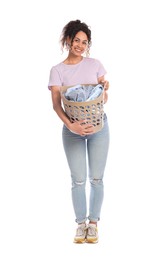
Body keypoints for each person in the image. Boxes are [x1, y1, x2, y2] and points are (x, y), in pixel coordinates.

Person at [48, 19, 110, 243]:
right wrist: (70, 124)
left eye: (84, 42)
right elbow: (56, 104)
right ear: (68, 40)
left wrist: (104, 90)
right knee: (78, 180)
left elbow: (103, 98)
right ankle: (80, 224)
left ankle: (93, 225)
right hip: (72, 129)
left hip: (98, 127)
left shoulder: (95, 64)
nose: (80, 46)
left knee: (97, 178)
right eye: (77, 40)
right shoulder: (57, 71)